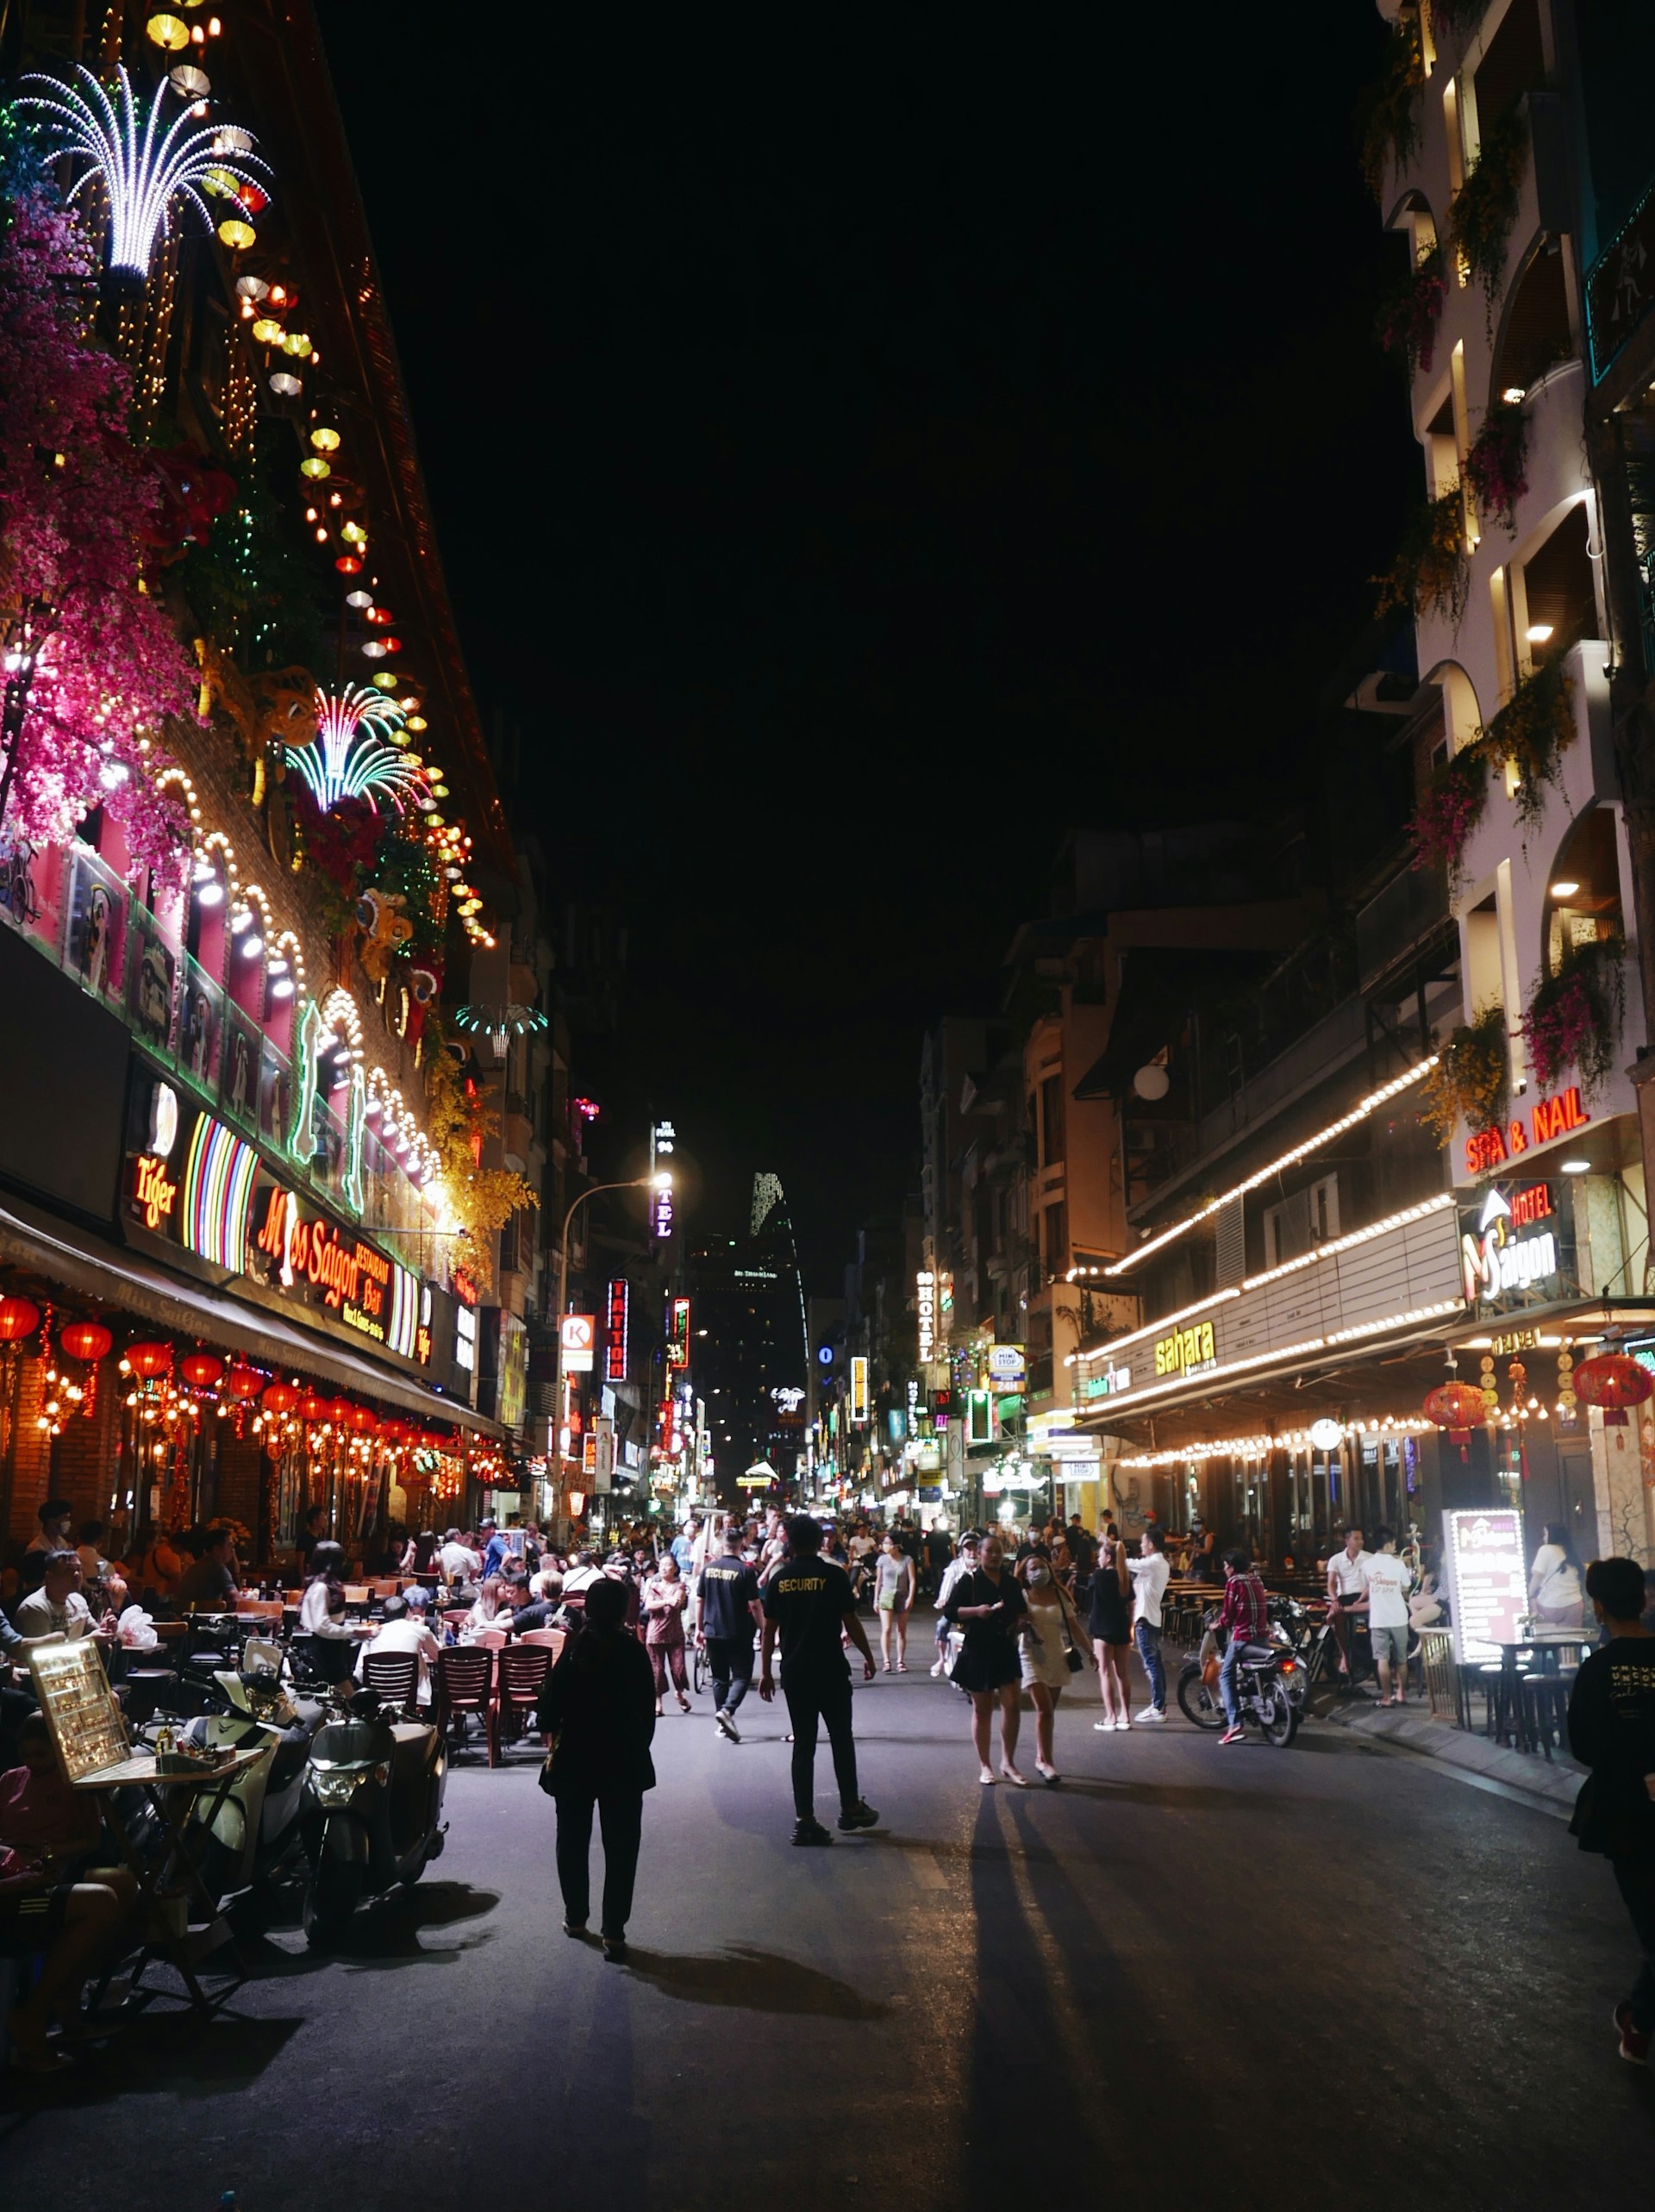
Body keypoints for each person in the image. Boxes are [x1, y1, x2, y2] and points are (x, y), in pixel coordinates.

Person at [536, 1575, 656, 1963]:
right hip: (623, 1760)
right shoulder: (633, 1652)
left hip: (574, 1760)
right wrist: (636, 1744)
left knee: (572, 1840)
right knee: (622, 1847)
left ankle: (575, 1918)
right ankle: (614, 1932)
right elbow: (647, 1714)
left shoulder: (573, 1651)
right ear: (622, 1612)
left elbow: (547, 1712)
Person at [1566, 1556, 1655, 2065]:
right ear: (1644, 1599)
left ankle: (1639, 2019)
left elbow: (1584, 1745)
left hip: (1626, 1816)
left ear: (1598, 1607)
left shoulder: (1597, 1670)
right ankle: (1639, 2019)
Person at [759, 1515, 879, 1846]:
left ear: (790, 1543)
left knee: (804, 1745)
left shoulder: (780, 1580)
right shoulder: (833, 1575)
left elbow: (769, 1631)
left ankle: (805, 1820)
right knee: (841, 1738)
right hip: (831, 1671)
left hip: (796, 1674)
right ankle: (850, 1807)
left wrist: (766, 1672)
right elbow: (850, 1621)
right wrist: (869, 1657)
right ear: (818, 1541)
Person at [944, 1532, 1030, 1785]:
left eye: (998, 1551)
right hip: (978, 1649)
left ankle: (1008, 1762)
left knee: (1012, 1705)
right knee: (982, 1710)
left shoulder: (1011, 1583)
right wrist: (976, 1611)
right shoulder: (969, 1580)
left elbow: (1022, 1612)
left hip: (1005, 1648)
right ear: (980, 1554)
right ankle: (985, 1765)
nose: (994, 1555)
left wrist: (1021, 1623)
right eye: (989, 1551)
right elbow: (950, 1611)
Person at [1018, 1548, 1091, 1784]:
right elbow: (1012, 1624)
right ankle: (1047, 1762)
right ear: (1025, 1574)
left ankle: (1041, 1757)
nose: (1039, 1572)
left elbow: (1074, 1626)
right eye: (1033, 1569)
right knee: (1044, 1708)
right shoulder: (1022, 1596)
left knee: (1049, 1712)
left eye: (1042, 1567)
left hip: (1056, 1655)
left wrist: (1091, 1651)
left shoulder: (1060, 1595)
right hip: (1031, 1654)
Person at [696, 1521, 764, 1740]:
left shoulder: (708, 1570)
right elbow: (755, 1605)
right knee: (742, 1676)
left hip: (712, 1631)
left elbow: (700, 1600)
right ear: (741, 1545)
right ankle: (727, 1711)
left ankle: (722, 1722)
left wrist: (699, 1628)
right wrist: (763, 1628)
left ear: (723, 1545)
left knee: (719, 1678)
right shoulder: (745, 1571)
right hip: (738, 1632)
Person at [1215, 1547, 1271, 1746]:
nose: (1224, 1569)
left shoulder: (1233, 1582)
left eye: (1225, 1565)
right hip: (1262, 1638)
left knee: (1225, 1676)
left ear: (1231, 1567)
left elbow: (1228, 1615)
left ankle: (1234, 1723)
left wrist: (1217, 1625)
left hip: (1243, 1638)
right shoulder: (1257, 1580)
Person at [354, 1592, 441, 1704]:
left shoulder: (371, 1634)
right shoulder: (420, 1630)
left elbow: (359, 1673)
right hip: (413, 1699)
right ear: (408, 1612)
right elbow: (439, 1656)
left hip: (378, 1700)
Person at [14, 1553, 115, 1648]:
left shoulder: (78, 1601)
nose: (76, 1574)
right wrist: (90, 1640)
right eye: (69, 1570)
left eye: (79, 1569)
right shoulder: (35, 1608)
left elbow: (92, 1629)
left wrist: (104, 1629)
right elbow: (44, 1654)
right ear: (50, 1577)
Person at [1361, 1528, 1415, 1706]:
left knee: (1382, 1659)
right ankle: (1401, 1694)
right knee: (1401, 1659)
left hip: (1378, 1619)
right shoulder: (1398, 1564)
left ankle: (1386, 1697)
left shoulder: (1367, 1564)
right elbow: (1406, 1586)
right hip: (1399, 1617)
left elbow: (1366, 1585)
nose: (1395, 1546)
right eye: (1393, 1543)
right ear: (1388, 1544)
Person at [1089, 1527, 1134, 1730]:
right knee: (1123, 1673)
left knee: (1105, 1672)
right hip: (1122, 1627)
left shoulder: (1099, 1576)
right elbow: (1131, 1604)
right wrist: (1130, 1625)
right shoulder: (1124, 1577)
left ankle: (1110, 1716)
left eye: (1100, 1555)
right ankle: (1126, 1715)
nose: (1098, 1559)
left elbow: (1089, 1591)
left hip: (1103, 1628)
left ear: (1108, 1558)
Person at [298, 1540, 359, 1683]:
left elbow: (334, 1622)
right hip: (323, 1653)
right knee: (344, 1693)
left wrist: (355, 1630)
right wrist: (353, 1632)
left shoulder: (321, 1587)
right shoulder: (320, 1589)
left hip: (332, 1650)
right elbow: (322, 1626)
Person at [1126, 1527, 1171, 1722]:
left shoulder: (1154, 1563)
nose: (1141, 1545)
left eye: (1143, 1542)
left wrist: (1113, 1548)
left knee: (1151, 1664)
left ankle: (1158, 1707)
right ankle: (1159, 1705)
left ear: (1151, 1545)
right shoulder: (1156, 1563)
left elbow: (1128, 1563)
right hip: (1150, 1618)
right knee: (1155, 1664)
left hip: (1146, 1619)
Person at [641, 1555, 692, 1717]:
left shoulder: (680, 1586)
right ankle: (658, 1703)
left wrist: (668, 1601)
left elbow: (677, 1602)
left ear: (675, 1568)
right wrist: (666, 1602)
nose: (664, 1568)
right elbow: (649, 1605)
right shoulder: (653, 1586)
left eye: (668, 1565)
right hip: (655, 1634)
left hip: (675, 1634)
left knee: (678, 1669)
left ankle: (679, 1694)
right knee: (656, 1670)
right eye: (662, 1565)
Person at [1326, 1526, 1371, 1677]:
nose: (1361, 1542)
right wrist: (1334, 1600)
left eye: (1361, 1538)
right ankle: (1344, 1655)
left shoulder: (1369, 1558)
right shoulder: (1336, 1559)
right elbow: (1331, 1583)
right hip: (1345, 1596)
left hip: (1364, 1595)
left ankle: (1371, 1659)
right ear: (1347, 1541)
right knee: (1338, 1618)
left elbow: (1372, 1583)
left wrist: (1361, 1599)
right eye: (1356, 1539)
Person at [933, 1534, 978, 1675]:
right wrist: (943, 1599)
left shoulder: (984, 1567)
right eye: (968, 1549)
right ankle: (941, 1659)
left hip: (978, 1608)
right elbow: (946, 1586)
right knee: (942, 1625)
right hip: (957, 1609)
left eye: (975, 1548)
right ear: (962, 1550)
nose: (972, 1552)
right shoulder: (955, 1567)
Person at [873, 1532, 916, 1672]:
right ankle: (886, 1661)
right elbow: (879, 1581)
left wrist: (910, 1597)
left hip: (902, 1596)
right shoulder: (882, 1560)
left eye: (888, 1543)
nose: (885, 1546)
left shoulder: (907, 1560)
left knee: (901, 1630)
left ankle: (900, 1661)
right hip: (886, 1595)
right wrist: (876, 1599)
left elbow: (912, 1580)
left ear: (897, 1546)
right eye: (884, 1543)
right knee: (886, 1629)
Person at [1530, 1522, 1585, 1629]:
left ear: (1552, 1535)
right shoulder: (1571, 1552)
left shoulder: (1546, 1549)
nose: (1543, 1538)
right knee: (1572, 1637)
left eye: (1545, 1534)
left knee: (1547, 1637)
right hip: (1575, 1605)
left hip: (1551, 1606)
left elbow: (1538, 1574)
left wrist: (1530, 1594)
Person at [173, 1525, 240, 1610]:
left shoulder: (197, 1565)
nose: (232, 1550)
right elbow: (236, 1599)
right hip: (205, 1616)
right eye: (229, 1545)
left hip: (183, 1615)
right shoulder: (218, 1568)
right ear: (216, 1549)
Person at [297, 1503, 327, 1578]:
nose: (325, 1520)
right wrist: (302, 1579)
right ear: (315, 1521)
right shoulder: (304, 1539)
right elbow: (300, 1562)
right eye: (322, 1518)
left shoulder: (321, 1540)